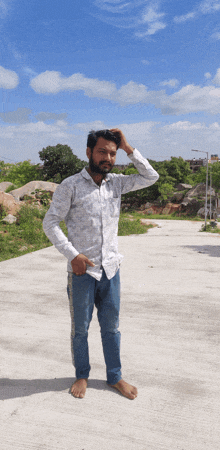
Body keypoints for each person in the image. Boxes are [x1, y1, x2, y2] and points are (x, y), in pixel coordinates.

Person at [43, 128, 159, 400]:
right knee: (80, 329)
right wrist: (73, 254)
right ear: (88, 153)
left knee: (111, 328)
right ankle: (82, 374)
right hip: (82, 272)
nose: (108, 157)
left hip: (111, 270)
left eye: (112, 153)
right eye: (102, 151)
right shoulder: (70, 185)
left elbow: (150, 176)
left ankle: (114, 377)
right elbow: (50, 222)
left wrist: (129, 148)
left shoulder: (116, 183)